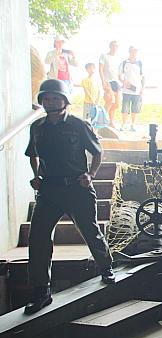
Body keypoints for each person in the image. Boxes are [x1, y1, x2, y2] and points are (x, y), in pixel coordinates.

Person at [24, 79, 116, 315]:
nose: (50, 102)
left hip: (76, 188)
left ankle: (106, 267)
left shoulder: (78, 125)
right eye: (46, 98)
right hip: (49, 190)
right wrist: (36, 176)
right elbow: (32, 154)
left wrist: (91, 175)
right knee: (38, 237)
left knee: (89, 230)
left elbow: (97, 151)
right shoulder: (38, 127)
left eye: (55, 98)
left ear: (64, 101)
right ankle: (41, 291)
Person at [119, 46, 145, 132]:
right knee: (125, 108)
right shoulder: (124, 63)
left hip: (137, 90)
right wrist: (123, 82)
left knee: (135, 109)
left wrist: (142, 88)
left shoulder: (140, 63)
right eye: (132, 51)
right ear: (129, 52)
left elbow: (143, 77)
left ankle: (132, 125)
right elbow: (119, 75)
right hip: (126, 90)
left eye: (135, 52)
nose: (134, 53)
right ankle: (123, 125)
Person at [99, 40, 121, 127]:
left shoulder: (117, 58)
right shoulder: (104, 56)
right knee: (110, 101)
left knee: (116, 104)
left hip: (116, 82)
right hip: (108, 81)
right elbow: (100, 69)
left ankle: (111, 122)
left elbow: (118, 72)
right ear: (110, 46)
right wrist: (103, 81)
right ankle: (101, 121)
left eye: (116, 46)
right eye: (113, 45)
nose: (114, 47)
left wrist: (122, 81)